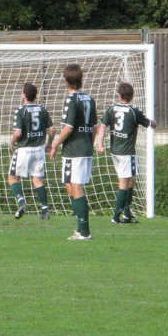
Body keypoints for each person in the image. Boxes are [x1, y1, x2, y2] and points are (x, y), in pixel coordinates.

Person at [94, 82, 156, 225]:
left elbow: (102, 127)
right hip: (127, 153)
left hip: (115, 151)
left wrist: (100, 145)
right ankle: (116, 217)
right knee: (124, 182)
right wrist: (154, 123)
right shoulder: (134, 111)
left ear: (119, 95)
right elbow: (148, 123)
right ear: (132, 96)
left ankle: (127, 214)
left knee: (131, 179)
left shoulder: (111, 109)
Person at [49, 64, 97, 241]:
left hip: (73, 149)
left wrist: (54, 145)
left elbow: (68, 128)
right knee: (69, 185)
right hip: (84, 148)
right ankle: (80, 228)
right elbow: (94, 127)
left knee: (75, 186)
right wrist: (90, 145)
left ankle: (84, 231)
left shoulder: (71, 99)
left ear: (66, 80)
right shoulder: (89, 99)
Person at [8, 82, 55, 220]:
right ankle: (45, 210)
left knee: (12, 178)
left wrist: (11, 143)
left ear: (24, 95)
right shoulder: (42, 109)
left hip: (24, 150)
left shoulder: (20, 111)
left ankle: (22, 203)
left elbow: (17, 133)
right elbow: (52, 129)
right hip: (39, 150)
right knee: (37, 180)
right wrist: (49, 144)